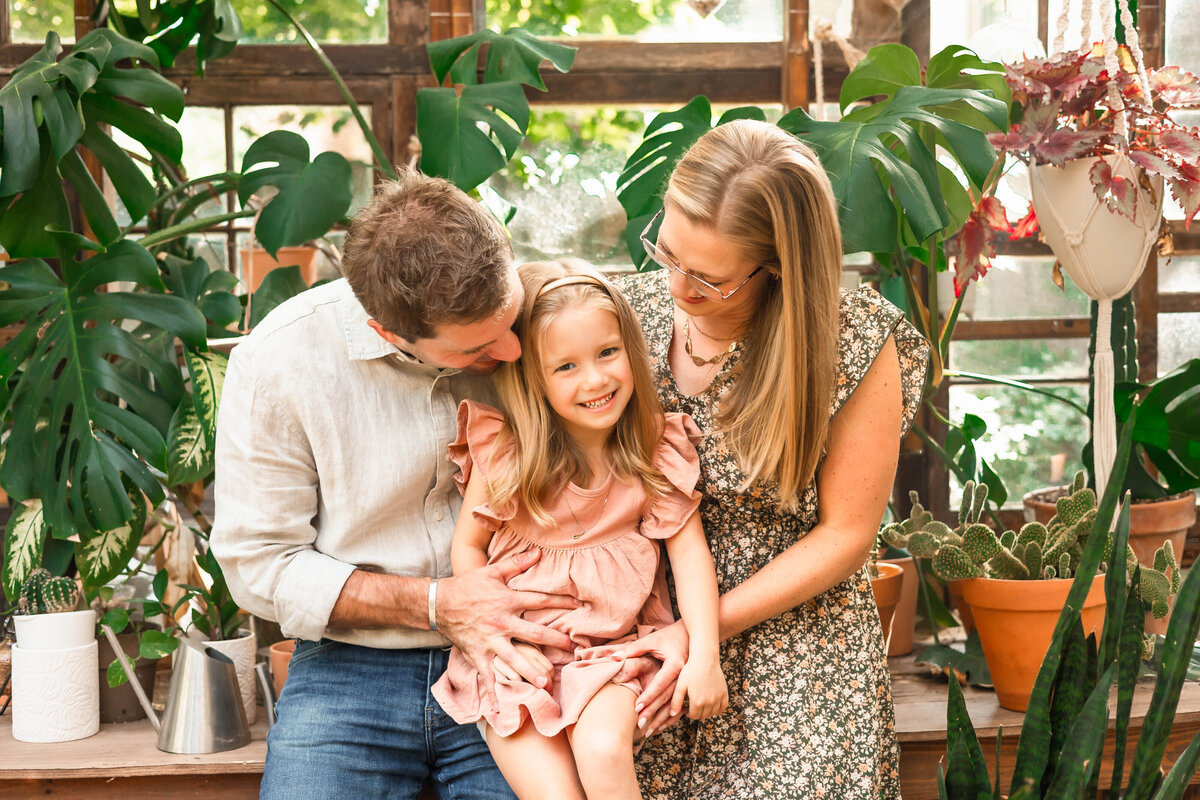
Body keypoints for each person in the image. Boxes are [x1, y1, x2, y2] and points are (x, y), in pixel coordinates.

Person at [212, 170, 600, 799]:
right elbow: (259, 565)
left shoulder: (548, 312)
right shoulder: (278, 361)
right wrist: (437, 605)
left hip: (518, 653)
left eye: (511, 319)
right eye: (477, 349)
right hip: (347, 666)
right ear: (388, 333)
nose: (510, 351)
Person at [610, 119, 932, 799]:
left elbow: (846, 536)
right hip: (644, 632)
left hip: (794, 647)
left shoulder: (851, 343)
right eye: (666, 255)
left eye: (709, 278)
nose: (677, 289)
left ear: (779, 265)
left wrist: (699, 633)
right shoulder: (622, 319)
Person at [431, 260, 729, 800]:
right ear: (534, 381)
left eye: (607, 353)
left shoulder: (652, 454)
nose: (595, 380)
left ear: (629, 351)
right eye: (565, 366)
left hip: (609, 654)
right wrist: (489, 638)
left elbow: (690, 560)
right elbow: (469, 546)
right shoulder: (507, 456)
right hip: (519, 661)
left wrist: (705, 655)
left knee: (602, 752)